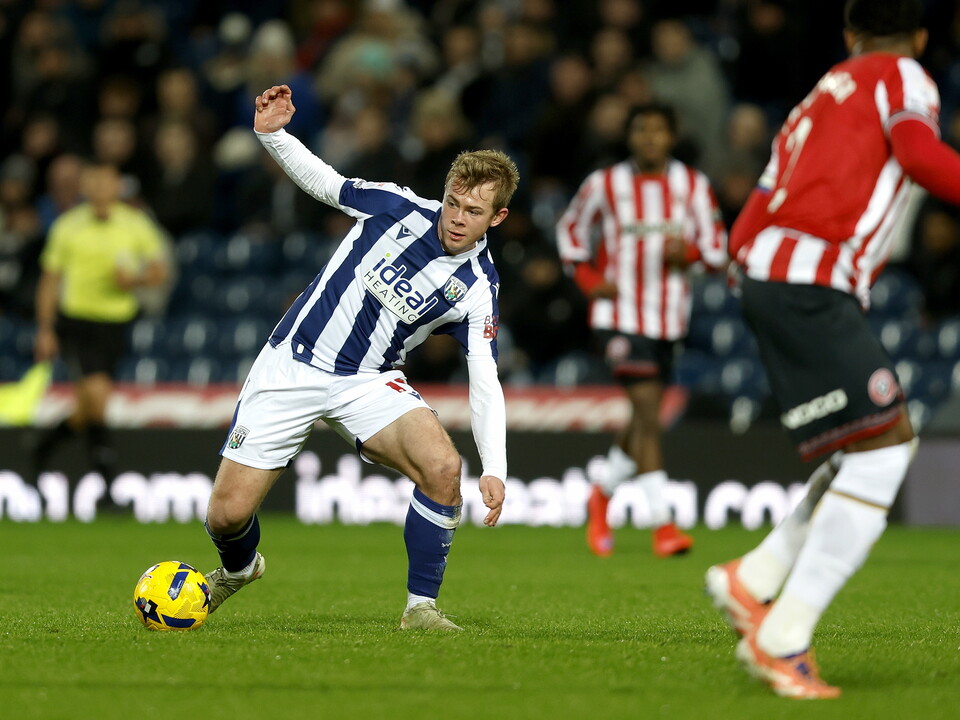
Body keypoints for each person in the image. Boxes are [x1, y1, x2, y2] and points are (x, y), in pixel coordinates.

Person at [705, 0, 960, 699]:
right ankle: (783, 636)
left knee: (866, 444)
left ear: (849, 34)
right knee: (888, 449)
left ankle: (754, 577)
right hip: (811, 279)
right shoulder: (904, 76)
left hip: (769, 275)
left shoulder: (818, 95)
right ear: (920, 36)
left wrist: (747, 267)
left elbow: (760, 200)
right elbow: (919, 155)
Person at [201, 84, 516, 631]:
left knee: (443, 469)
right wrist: (273, 136)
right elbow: (326, 181)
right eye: (453, 203)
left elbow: (484, 379)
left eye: (474, 211)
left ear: (498, 217)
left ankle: (420, 609)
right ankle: (240, 567)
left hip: (367, 381)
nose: (457, 218)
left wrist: (496, 467)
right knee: (226, 516)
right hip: (293, 364)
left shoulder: (477, 289)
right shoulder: (395, 207)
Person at [555, 102, 727, 558]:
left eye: (658, 130)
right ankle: (662, 524)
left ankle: (601, 496)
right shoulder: (604, 183)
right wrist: (588, 279)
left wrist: (689, 254)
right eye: (641, 129)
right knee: (649, 412)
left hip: (669, 319)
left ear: (672, 136)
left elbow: (717, 249)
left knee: (642, 417)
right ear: (629, 136)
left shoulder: (692, 185)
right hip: (619, 316)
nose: (649, 137)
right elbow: (570, 230)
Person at [32, 161, 168, 480]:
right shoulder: (67, 226)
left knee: (88, 407)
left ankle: (43, 446)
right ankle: (105, 477)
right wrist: (45, 329)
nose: (100, 188)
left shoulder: (135, 224)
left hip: (116, 325)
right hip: (77, 323)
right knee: (97, 395)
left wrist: (134, 280)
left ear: (117, 186)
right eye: (94, 182)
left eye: (107, 182)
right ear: (85, 187)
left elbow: (159, 271)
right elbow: (49, 280)